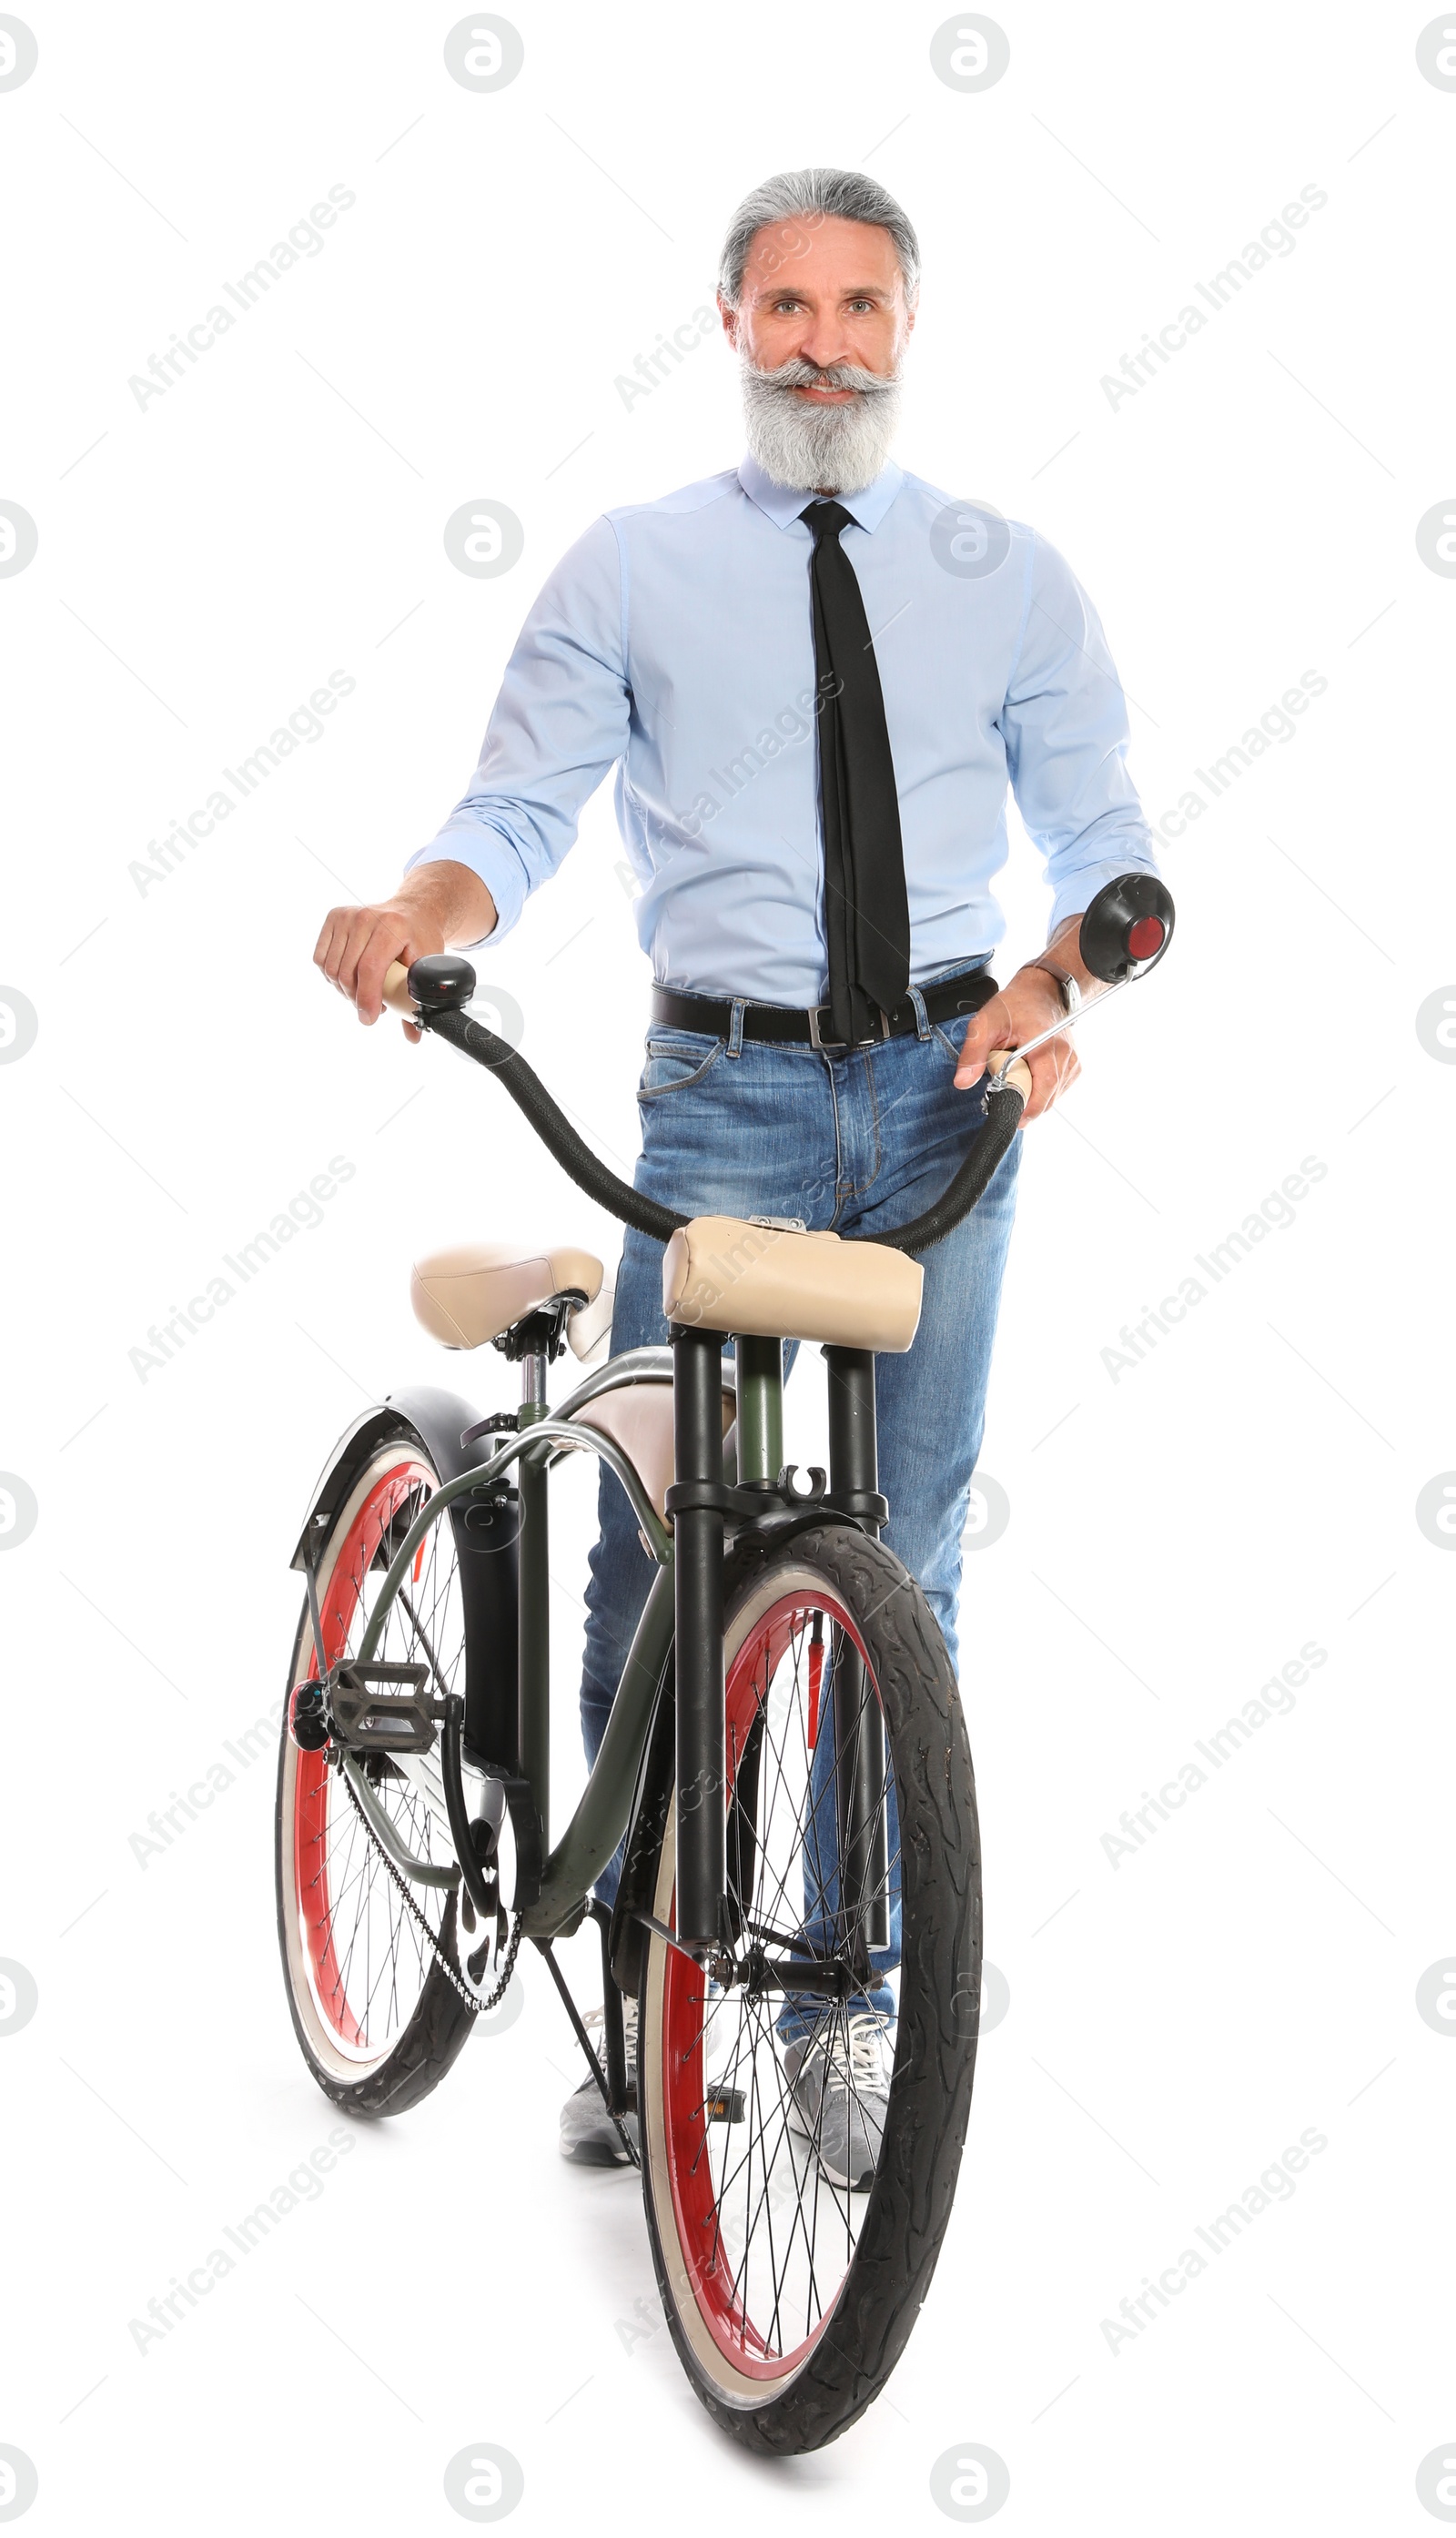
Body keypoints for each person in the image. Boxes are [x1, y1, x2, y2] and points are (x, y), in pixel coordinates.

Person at [315, 167, 1158, 2173]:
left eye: (859, 306)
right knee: (662, 1545)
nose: (823, 346)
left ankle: (838, 2014)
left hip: (952, 1091)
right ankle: (633, 1983)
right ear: (727, 326)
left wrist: (1057, 987)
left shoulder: (1009, 575)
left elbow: (1112, 855)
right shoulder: (627, 569)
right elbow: (512, 811)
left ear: (907, 324)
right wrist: (424, 916)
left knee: (906, 1573)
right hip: (725, 1105)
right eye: (784, 307)